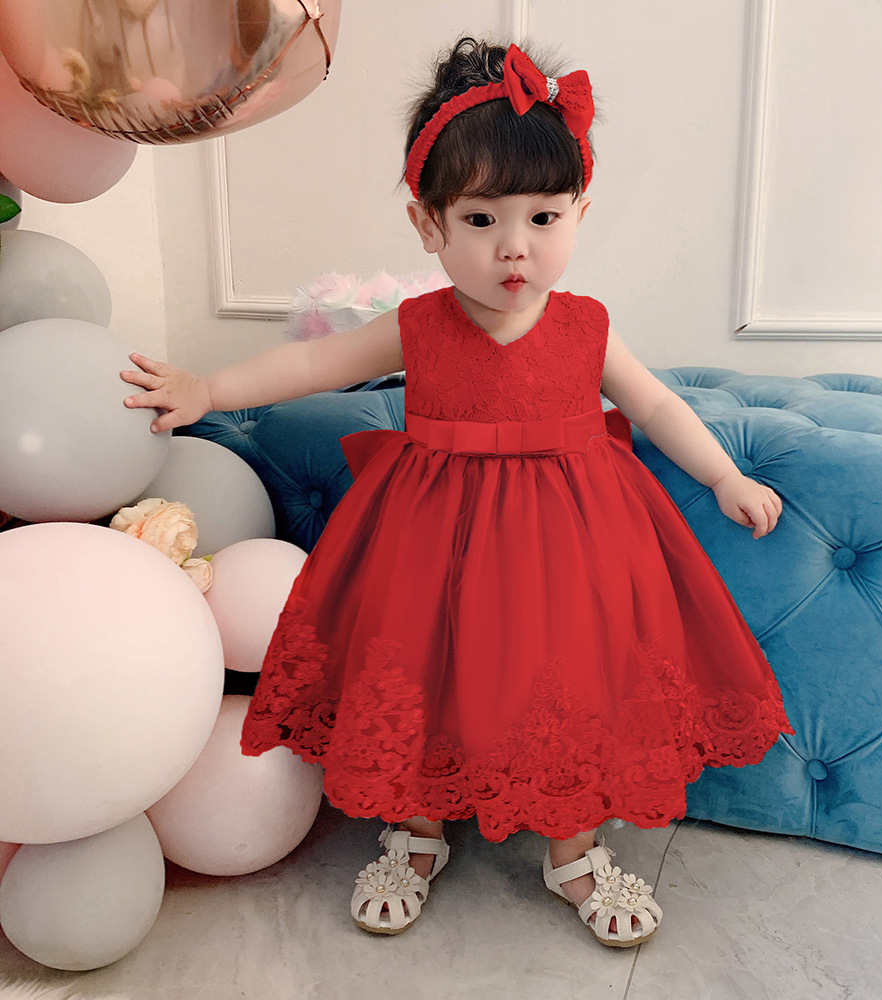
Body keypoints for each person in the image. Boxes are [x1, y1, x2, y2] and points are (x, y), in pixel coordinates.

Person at [122, 36, 791, 948]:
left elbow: (657, 404)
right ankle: (417, 829)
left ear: (580, 213)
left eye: (544, 217)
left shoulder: (587, 327)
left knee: (576, 687)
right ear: (428, 224)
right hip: (435, 540)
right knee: (420, 675)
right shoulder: (418, 325)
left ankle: (574, 848)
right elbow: (312, 364)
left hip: (575, 546)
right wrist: (206, 388)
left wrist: (723, 475)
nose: (515, 246)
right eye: (481, 219)